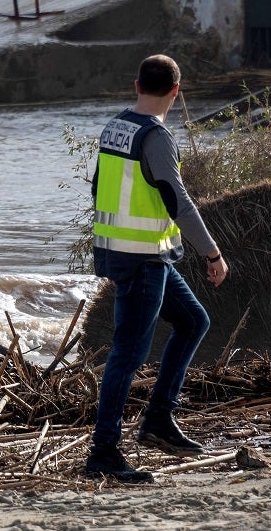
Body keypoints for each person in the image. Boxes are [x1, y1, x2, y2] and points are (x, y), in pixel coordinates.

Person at [86, 54, 229, 483]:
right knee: (126, 356)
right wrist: (212, 252)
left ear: (136, 85)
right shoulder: (157, 136)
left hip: (135, 254)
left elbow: (97, 187)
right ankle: (104, 453)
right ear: (176, 91)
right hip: (143, 259)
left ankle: (158, 422)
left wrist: (111, 251)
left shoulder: (117, 126)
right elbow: (177, 200)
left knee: (192, 322)